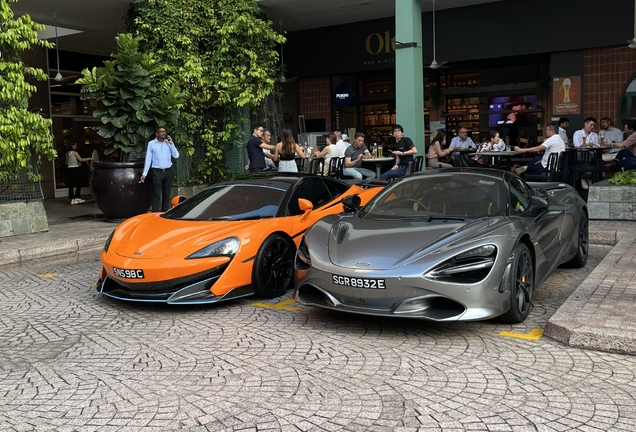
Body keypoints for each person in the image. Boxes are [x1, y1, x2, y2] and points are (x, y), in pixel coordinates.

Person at [140, 126, 180, 212]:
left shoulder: (168, 143)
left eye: (164, 131)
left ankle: (164, 212)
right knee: (157, 194)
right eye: (161, 131)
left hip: (168, 171)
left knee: (166, 194)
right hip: (157, 172)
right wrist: (144, 173)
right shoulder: (151, 144)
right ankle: (154, 214)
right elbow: (148, 159)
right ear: (157, 134)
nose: (163, 133)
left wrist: (171, 144)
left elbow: (176, 155)